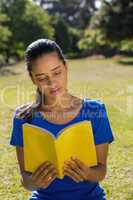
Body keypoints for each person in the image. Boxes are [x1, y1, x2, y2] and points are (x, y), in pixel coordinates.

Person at [9, 38, 115, 200]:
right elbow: (26, 181)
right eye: (42, 78)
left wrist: (87, 173)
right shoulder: (23, 118)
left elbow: (101, 172)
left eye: (57, 72)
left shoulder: (95, 111)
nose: (52, 83)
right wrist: (35, 181)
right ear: (32, 78)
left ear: (66, 67)